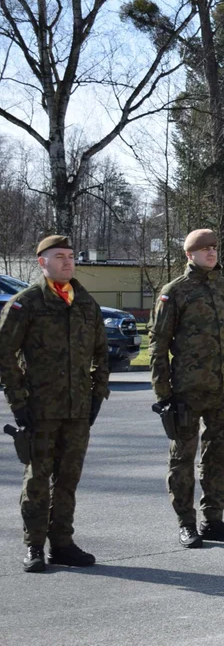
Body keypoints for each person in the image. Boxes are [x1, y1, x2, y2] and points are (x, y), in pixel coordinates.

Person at [0, 235, 109, 573]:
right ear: (41, 262)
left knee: (68, 478)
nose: (67, 262)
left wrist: (96, 395)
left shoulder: (86, 303)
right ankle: (34, 546)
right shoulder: (26, 303)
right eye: (58, 256)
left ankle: (62, 543)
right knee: (38, 478)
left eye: (71, 256)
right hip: (40, 408)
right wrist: (19, 402)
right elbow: (4, 354)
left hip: (78, 408)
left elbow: (101, 353)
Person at [148, 229, 224, 548]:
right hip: (187, 391)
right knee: (183, 458)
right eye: (203, 248)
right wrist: (163, 393)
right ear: (188, 255)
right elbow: (158, 343)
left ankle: (214, 520)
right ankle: (186, 522)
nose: (211, 252)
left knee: (218, 458)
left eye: (214, 247)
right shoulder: (175, 291)